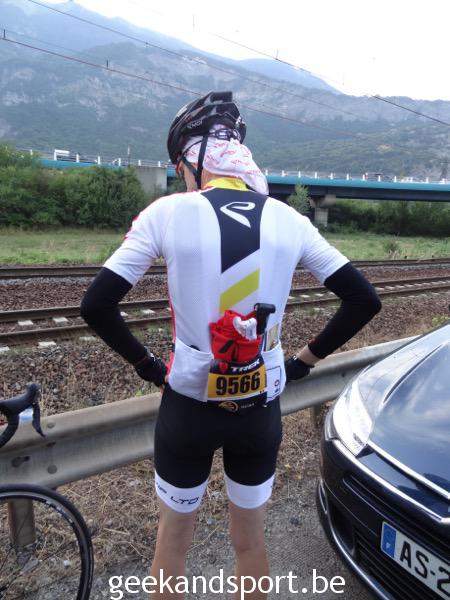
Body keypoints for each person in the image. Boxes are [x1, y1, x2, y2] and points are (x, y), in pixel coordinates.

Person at [81, 91, 381, 599]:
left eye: (180, 168)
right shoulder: (290, 219)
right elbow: (363, 300)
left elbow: (96, 305)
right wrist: (303, 363)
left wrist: (148, 366)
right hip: (260, 408)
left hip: (188, 407)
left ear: (192, 160)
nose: (181, 177)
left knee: (173, 543)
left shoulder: (166, 213)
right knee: (249, 541)